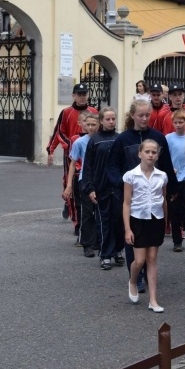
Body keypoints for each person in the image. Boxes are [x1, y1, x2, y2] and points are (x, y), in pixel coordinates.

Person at [107, 100, 178, 283]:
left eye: (148, 115)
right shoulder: (123, 139)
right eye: (141, 115)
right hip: (132, 196)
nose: (145, 118)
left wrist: (173, 188)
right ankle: (136, 276)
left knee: (151, 237)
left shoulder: (158, 138)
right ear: (133, 116)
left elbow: (167, 165)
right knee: (133, 238)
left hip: (153, 195)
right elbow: (112, 166)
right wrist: (120, 183)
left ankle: (148, 272)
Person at [123, 139, 168, 312]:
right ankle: (133, 280)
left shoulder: (162, 176)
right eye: (147, 152)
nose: (150, 155)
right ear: (139, 154)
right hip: (137, 219)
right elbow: (126, 203)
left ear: (157, 155)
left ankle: (153, 300)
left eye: (154, 152)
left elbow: (163, 201)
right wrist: (127, 228)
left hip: (155, 219)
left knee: (152, 259)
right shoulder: (131, 176)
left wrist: (166, 222)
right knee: (139, 260)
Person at [47, 83, 98, 221]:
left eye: (84, 94)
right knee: (70, 181)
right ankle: (70, 205)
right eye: (79, 94)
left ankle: (87, 213)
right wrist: (51, 150)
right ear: (74, 96)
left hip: (89, 152)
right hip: (71, 153)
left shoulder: (93, 111)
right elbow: (59, 131)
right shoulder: (66, 112)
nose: (82, 97)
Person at [82, 107, 120, 263]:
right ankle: (105, 254)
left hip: (117, 187)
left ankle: (117, 250)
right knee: (103, 221)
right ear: (101, 121)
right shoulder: (95, 140)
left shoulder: (119, 138)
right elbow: (88, 167)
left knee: (118, 220)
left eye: (113, 119)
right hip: (101, 187)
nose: (111, 122)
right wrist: (90, 188)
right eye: (108, 119)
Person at [64, 111, 101, 255]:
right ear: (84, 125)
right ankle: (87, 244)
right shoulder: (79, 142)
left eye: (94, 124)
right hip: (85, 180)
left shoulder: (102, 139)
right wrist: (69, 185)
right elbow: (73, 163)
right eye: (88, 124)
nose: (91, 127)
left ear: (99, 124)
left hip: (101, 180)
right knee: (87, 212)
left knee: (100, 211)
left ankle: (99, 240)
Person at [166, 109, 185, 251]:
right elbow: (165, 156)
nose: (177, 125)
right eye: (175, 122)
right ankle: (177, 241)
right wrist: (170, 170)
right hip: (174, 177)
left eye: (180, 122)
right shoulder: (169, 138)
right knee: (174, 210)